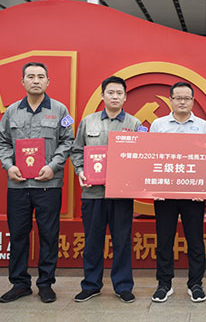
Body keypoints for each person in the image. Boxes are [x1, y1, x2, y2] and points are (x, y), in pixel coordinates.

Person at [0, 62, 74, 303]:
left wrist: (53, 166)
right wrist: (9, 166)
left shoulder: (60, 110)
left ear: (48, 81)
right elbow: (2, 142)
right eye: (30, 76)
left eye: (41, 76)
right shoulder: (11, 111)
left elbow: (68, 141)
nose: (36, 80)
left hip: (48, 185)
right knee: (18, 235)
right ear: (22, 81)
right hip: (18, 185)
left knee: (49, 235)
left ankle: (46, 284)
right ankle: (19, 284)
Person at [70, 76, 142, 303]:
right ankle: (91, 285)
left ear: (125, 97)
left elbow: (142, 156)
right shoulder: (88, 122)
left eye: (119, 93)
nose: (115, 97)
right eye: (110, 92)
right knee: (93, 241)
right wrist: (80, 170)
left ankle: (123, 286)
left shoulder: (135, 124)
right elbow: (76, 150)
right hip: (93, 193)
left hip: (121, 194)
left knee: (122, 241)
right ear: (102, 96)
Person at [149, 82, 206, 303]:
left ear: (193, 101)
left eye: (187, 98)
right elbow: (151, 157)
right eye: (178, 98)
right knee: (164, 240)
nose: (182, 102)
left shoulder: (204, 126)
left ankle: (195, 284)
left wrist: (203, 188)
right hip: (165, 193)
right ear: (170, 100)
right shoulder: (158, 125)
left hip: (193, 194)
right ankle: (164, 284)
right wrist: (155, 188)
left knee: (195, 241)